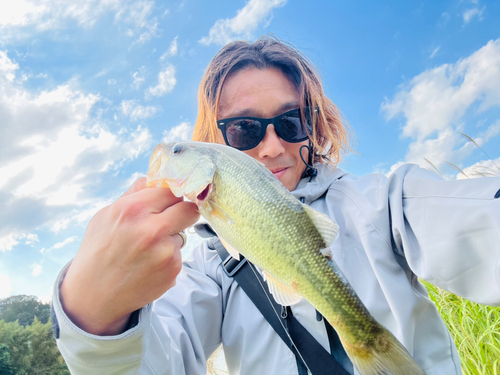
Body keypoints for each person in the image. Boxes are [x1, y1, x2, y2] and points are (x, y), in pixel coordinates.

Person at [52, 36, 500, 375]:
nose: (270, 147)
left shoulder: (383, 201)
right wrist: (95, 320)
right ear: (218, 142)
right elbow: (156, 361)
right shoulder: (205, 266)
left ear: (315, 126)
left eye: (290, 121)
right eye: (245, 129)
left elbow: (477, 219)